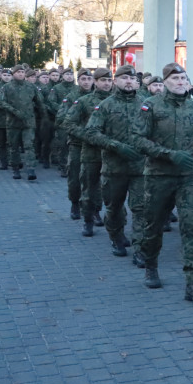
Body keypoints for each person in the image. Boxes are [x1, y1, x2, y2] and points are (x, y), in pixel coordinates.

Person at [131, 62, 193, 306]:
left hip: (187, 177)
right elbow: (137, 138)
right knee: (153, 226)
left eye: (183, 78)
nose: (179, 82)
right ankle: (151, 267)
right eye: (174, 79)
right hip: (158, 176)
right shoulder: (151, 106)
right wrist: (168, 154)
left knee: (191, 226)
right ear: (164, 82)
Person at [83, 64, 147, 262]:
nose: (129, 81)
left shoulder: (146, 104)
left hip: (140, 167)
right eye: (124, 78)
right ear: (116, 81)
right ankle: (117, 238)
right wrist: (115, 146)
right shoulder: (106, 105)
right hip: (114, 168)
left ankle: (139, 248)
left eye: (132, 78)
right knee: (114, 208)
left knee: (141, 208)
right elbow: (91, 132)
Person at [61, 68, 113, 235]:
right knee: (83, 181)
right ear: (96, 82)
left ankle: (97, 211)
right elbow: (67, 122)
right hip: (83, 146)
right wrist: (88, 136)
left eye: (109, 80)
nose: (106, 84)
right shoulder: (82, 101)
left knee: (107, 185)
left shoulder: (115, 101)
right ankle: (82, 211)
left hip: (110, 148)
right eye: (102, 80)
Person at [0, 65, 39, 181]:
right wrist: (14, 111)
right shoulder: (6, 87)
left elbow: (39, 102)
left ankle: (31, 169)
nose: (21, 74)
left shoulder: (31, 87)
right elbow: (1, 102)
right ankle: (15, 169)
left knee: (29, 145)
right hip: (13, 122)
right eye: (18, 72)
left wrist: (42, 116)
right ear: (13, 74)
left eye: (22, 72)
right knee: (14, 146)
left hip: (28, 122)